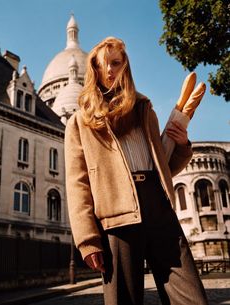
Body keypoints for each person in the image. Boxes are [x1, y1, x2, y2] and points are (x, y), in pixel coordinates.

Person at [65, 37, 208, 305]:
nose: (108, 71)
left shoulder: (145, 110)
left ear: (126, 66)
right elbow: (77, 184)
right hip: (116, 217)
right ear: (93, 69)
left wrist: (182, 144)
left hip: (159, 207)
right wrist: (87, 239)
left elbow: (165, 166)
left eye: (115, 63)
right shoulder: (79, 123)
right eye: (101, 65)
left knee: (193, 299)